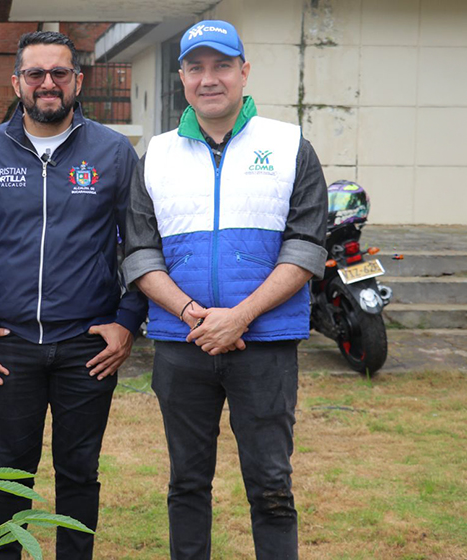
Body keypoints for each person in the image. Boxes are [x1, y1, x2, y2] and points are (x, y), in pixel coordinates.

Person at [122, 20, 328, 560]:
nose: (208, 78)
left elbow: (306, 246)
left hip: (265, 346)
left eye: (221, 66)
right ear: (182, 78)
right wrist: (195, 315)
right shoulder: (157, 155)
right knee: (186, 485)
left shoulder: (289, 146)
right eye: (196, 67)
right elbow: (139, 253)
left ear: (244, 72)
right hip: (181, 343)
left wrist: (239, 316)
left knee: (272, 490)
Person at [0, 31, 148, 560]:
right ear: (16, 81)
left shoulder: (112, 151)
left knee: (79, 469)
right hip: (9, 343)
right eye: (35, 74)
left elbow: (141, 243)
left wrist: (128, 319)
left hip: (88, 344)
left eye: (59, 73)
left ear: (77, 81)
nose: (47, 84)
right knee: (11, 471)